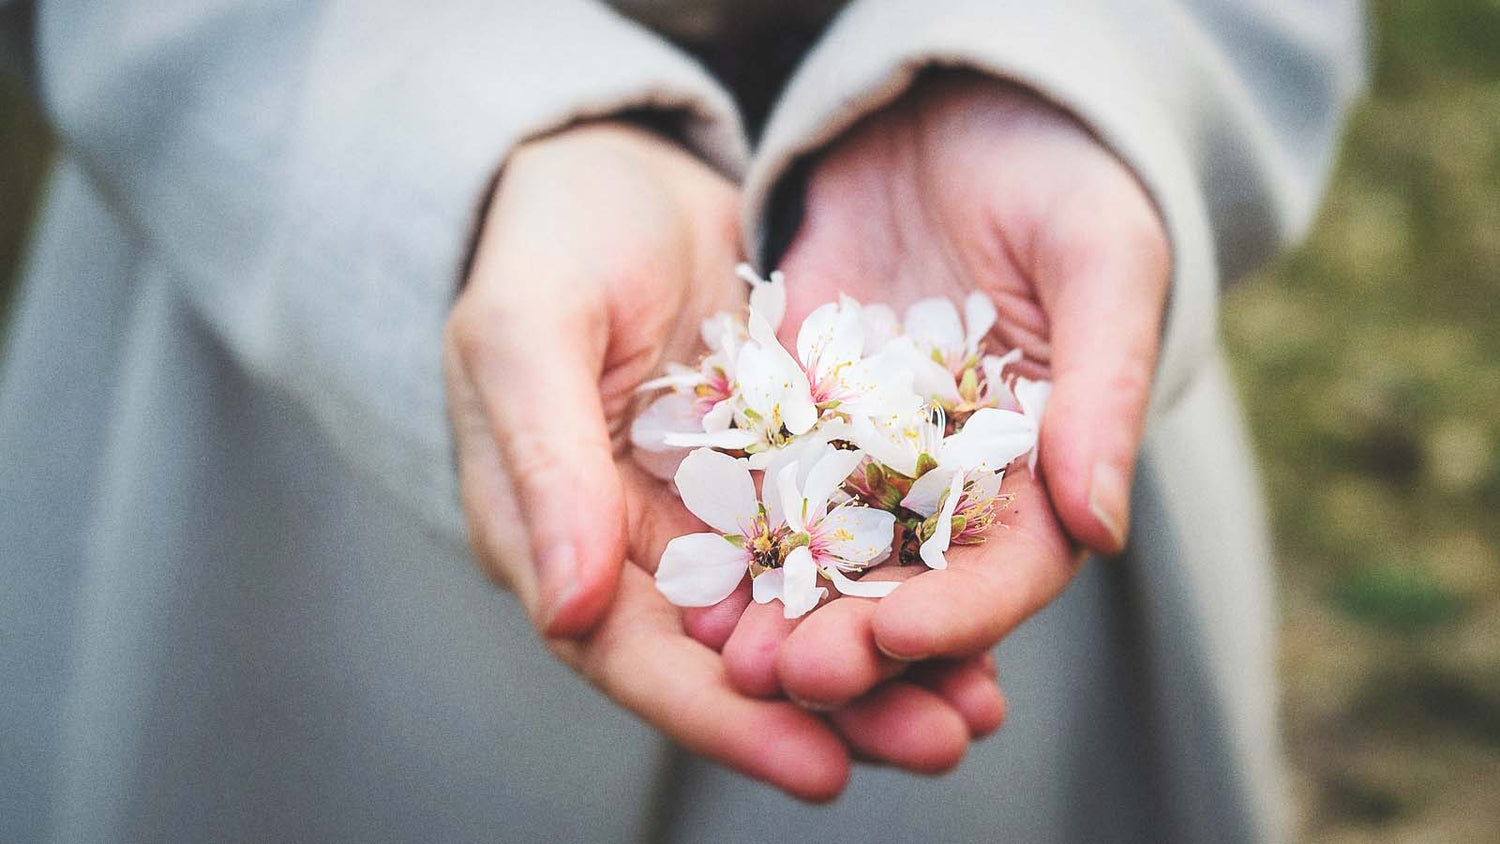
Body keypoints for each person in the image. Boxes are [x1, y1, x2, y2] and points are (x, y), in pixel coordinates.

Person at [0, 1, 1364, 842]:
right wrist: (474, 148)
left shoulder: (954, 412)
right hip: (287, 348)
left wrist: (1066, 68)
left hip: (1018, 311)